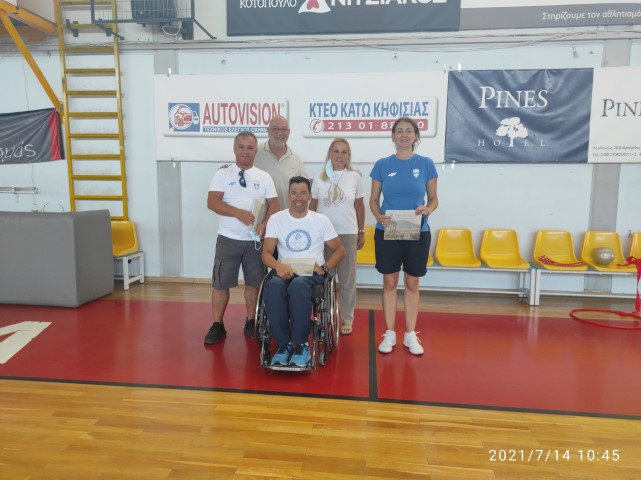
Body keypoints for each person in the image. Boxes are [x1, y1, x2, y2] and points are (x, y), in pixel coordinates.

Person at [369, 117, 439, 356]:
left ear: (416, 135)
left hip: (418, 231)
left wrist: (428, 209)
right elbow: (373, 199)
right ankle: (390, 332)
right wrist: (378, 216)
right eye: (399, 131)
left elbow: (434, 199)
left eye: (409, 131)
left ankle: (410, 334)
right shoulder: (382, 165)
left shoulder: (426, 164)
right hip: (388, 231)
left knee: (412, 283)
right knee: (389, 282)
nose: (404, 135)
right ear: (393, 136)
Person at [204, 131, 280, 345]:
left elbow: (274, 205)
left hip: (255, 241)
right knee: (220, 284)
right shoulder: (222, 173)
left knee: (254, 284)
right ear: (234, 149)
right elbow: (212, 202)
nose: (245, 151)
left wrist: (266, 224)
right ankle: (217, 324)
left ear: (256, 151)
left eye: (250, 147)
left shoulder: (264, 177)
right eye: (241, 147)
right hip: (228, 239)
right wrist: (237, 213)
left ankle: (251, 321)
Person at [262, 176, 346, 367]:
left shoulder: (320, 220)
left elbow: (340, 251)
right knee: (273, 286)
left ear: (309, 195)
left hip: (311, 272)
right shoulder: (276, 219)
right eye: (294, 193)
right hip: (284, 269)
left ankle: (301, 344)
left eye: (303, 193)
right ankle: (284, 345)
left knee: (299, 286)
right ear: (288, 195)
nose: (298, 197)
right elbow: (266, 253)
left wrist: (324, 268)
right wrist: (277, 266)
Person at [309, 138, 365, 335]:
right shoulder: (319, 176)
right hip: (324, 235)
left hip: (348, 233)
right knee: (325, 277)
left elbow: (359, 206)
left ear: (348, 156)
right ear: (330, 154)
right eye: (336, 151)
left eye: (344, 152)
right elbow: (313, 205)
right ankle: (325, 317)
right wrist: (310, 230)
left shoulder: (355, 176)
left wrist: (361, 231)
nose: (339, 155)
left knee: (347, 279)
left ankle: (347, 319)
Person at [254, 115, 310, 209]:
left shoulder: (296, 160)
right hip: (259, 217)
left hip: (285, 216)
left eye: (283, 129)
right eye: (275, 129)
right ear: (268, 131)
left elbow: (305, 191)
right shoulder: (254, 153)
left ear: (289, 132)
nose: (279, 133)